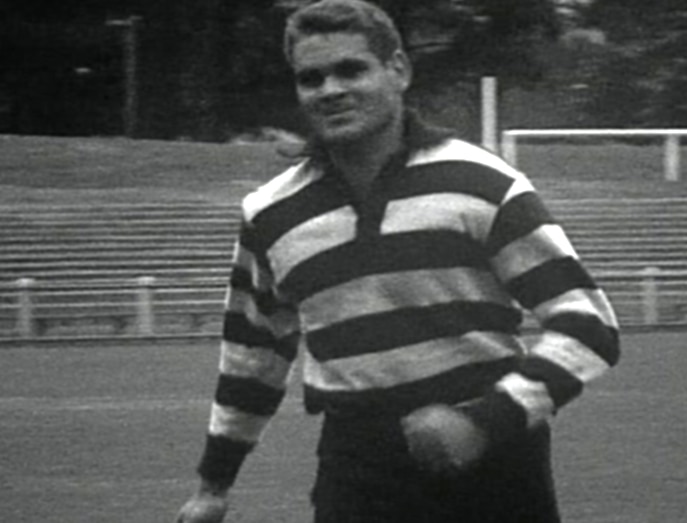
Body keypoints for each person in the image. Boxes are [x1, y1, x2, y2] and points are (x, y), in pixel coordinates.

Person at [175, 1, 620, 522]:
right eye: (311, 78)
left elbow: (590, 325)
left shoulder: (481, 184)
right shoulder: (271, 214)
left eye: (351, 69)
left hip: (495, 464)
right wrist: (213, 485)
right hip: (359, 468)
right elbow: (252, 359)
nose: (331, 90)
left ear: (399, 70)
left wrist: (485, 421)